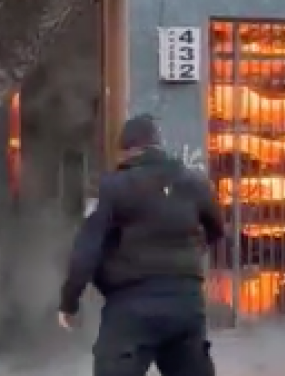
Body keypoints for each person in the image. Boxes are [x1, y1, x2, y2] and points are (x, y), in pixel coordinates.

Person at [57, 114, 225, 376]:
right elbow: (217, 228)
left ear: (125, 152)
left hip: (130, 307)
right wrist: (194, 251)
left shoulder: (113, 188)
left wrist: (69, 302)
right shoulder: (193, 183)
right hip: (185, 303)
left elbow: (86, 250)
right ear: (158, 145)